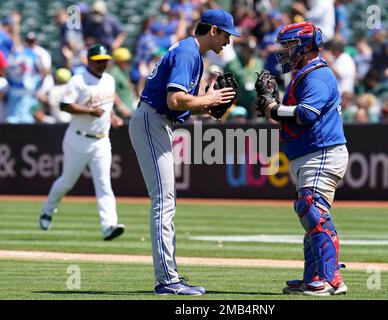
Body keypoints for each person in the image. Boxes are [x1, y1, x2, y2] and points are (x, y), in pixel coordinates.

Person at [128, 8, 240, 296]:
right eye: (227, 34)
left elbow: (180, 108)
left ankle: (169, 275)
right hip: (151, 120)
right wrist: (207, 98)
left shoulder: (191, 52)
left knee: (165, 200)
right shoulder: (189, 53)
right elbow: (174, 99)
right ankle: (167, 280)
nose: (229, 41)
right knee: (163, 202)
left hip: (157, 121)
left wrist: (206, 103)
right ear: (213, 30)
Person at [255, 21, 348, 296]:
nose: (284, 52)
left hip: (322, 151)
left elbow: (307, 114)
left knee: (312, 211)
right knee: (310, 214)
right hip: (311, 153)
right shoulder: (305, 74)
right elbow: (294, 115)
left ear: (306, 46)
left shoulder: (317, 75)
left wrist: (274, 107)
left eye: (289, 46)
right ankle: (313, 277)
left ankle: (331, 279)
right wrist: (275, 109)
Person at [39, 44, 125, 241]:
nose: (102, 64)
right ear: (89, 60)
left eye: (105, 61)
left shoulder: (109, 80)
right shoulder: (78, 80)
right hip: (78, 138)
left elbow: (106, 106)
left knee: (104, 184)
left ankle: (108, 226)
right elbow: (65, 105)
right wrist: (88, 111)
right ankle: (48, 210)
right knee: (67, 182)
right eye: (98, 61)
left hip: (102, 140)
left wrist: (113, 117)